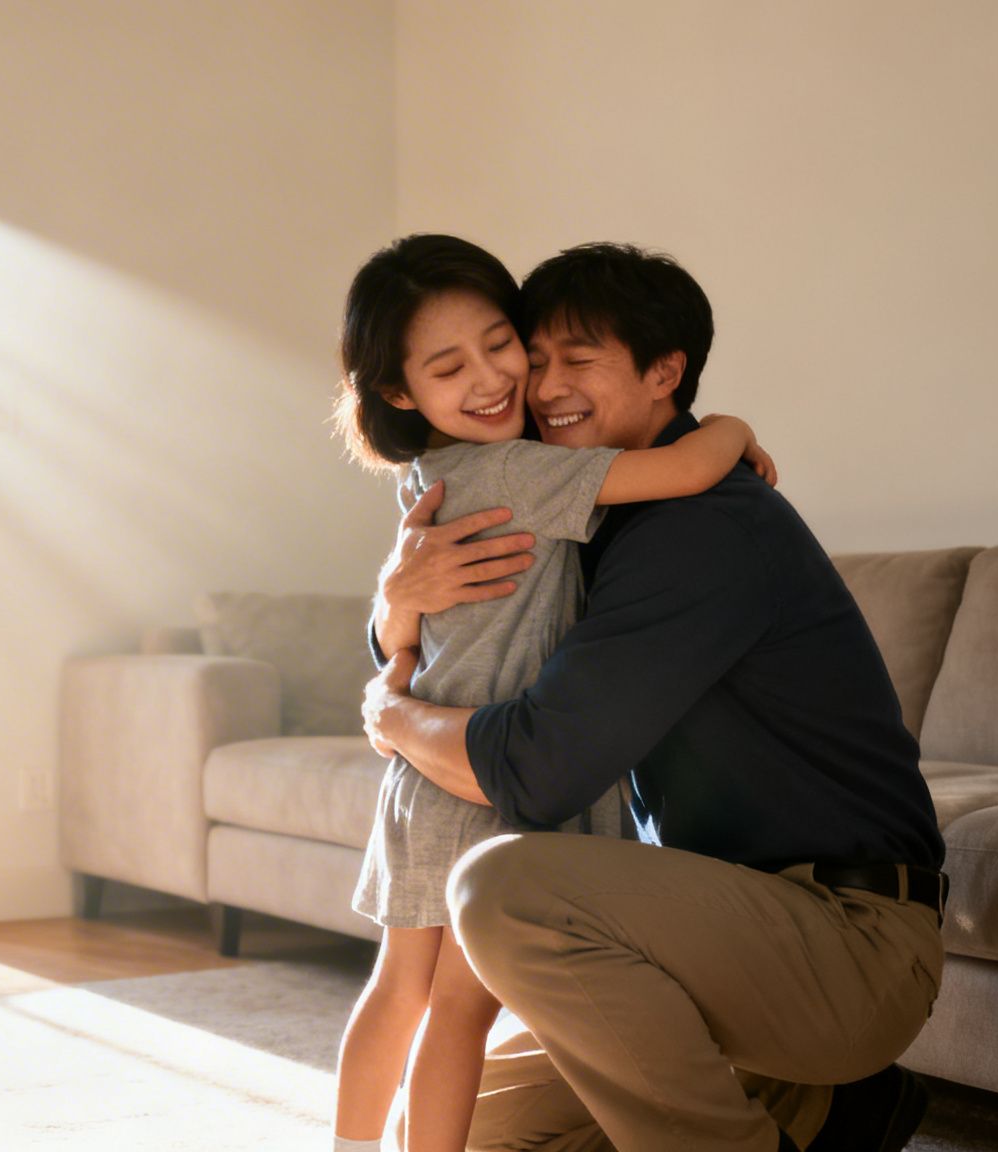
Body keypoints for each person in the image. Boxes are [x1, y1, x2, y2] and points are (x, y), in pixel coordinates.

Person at [362, 241, 947, 1152]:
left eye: (580, 360)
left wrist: (390, 718)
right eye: (538, 354)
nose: (543, 385)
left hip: (845, 944)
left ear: (665, 371)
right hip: (703, 939)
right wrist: (397, 601)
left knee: (502, 888)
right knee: (453, 1132)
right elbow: (464, 631)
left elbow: (536, 769)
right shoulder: (588, 512)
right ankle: (824, 1112)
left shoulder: (700, 529)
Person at [328, 234, 778, 1152]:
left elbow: (411, 631)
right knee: (458, 1010)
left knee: (397, 987)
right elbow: (688, 469)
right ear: (400, 393)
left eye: (504, 346)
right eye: (451, 366)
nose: (496, 378)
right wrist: (730, 429)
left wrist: (393, 630)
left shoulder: (434, 474)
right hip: (484, 772)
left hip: (426, 771)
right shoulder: (526, 472)